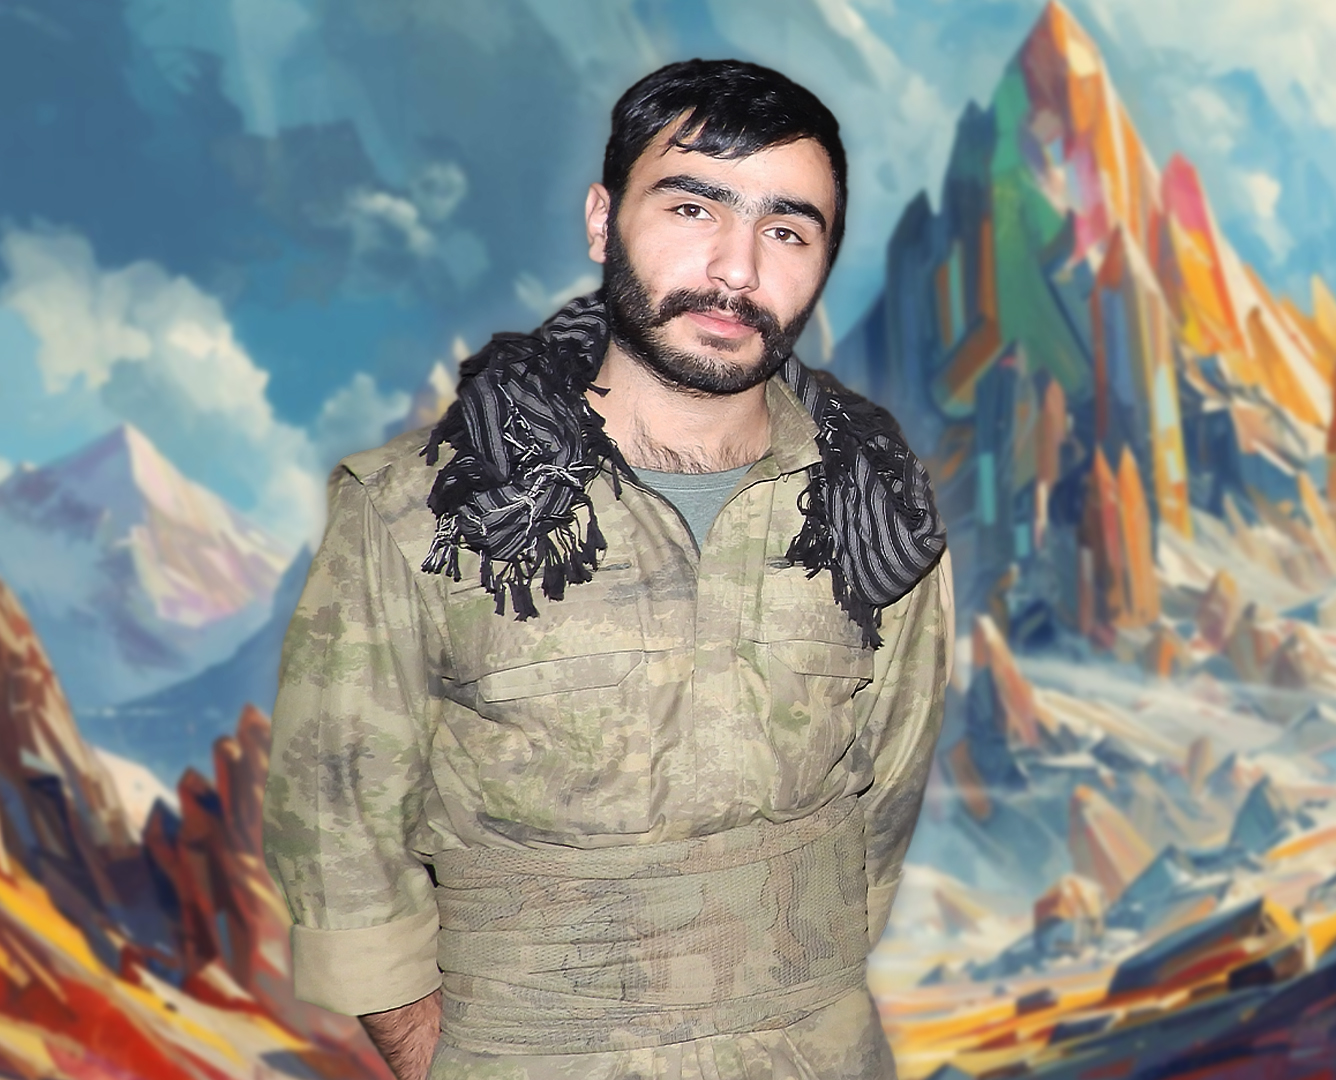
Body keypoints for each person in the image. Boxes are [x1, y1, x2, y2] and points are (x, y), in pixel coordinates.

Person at [265, 58, 951, 1080]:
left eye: (787, 230)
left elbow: (882, 806)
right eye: (692, 207)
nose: (736, 269)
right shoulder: (425, 511)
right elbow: (337, 815)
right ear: (602, 221)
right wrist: (446, 1056)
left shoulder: (874, 512)